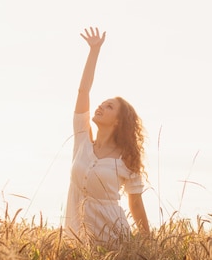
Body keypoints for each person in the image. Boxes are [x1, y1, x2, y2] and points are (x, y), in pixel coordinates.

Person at [64, 27, 150, 245]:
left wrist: (149, 246)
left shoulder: (127, 158)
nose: (101, 106)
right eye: (102, 103)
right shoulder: (82, 141)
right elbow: (83, 92)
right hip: (76, 239)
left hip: (114, 240)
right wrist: (94, 51)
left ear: (119, 121)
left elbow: (136, 204)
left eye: (109, 106)